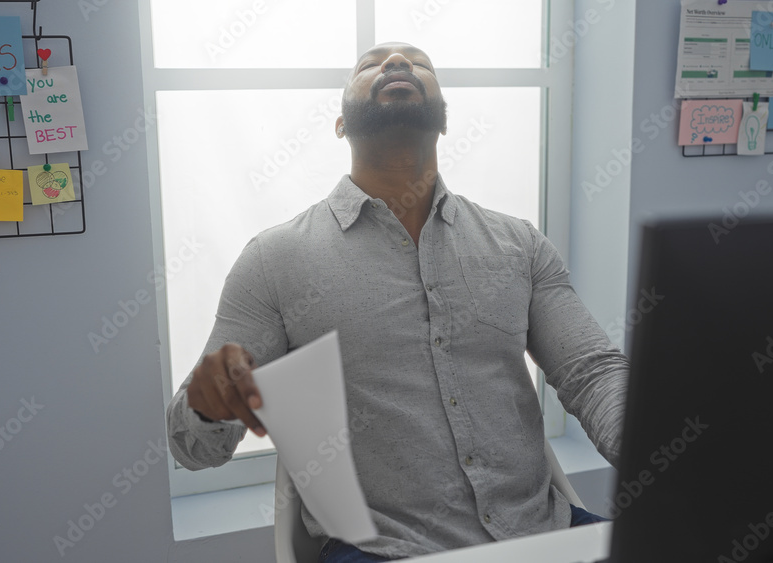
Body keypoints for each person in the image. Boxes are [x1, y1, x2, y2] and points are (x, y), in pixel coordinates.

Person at [166, 42, 628, 562]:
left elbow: (593, 374)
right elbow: (193, 450)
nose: (397, 64)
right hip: (384, 551)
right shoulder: (274, 261)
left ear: (445, 120)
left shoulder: (519, 245)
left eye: (419, 62)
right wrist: (206, 406)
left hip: (545, 532)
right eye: (371, 64)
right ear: (340, 124)